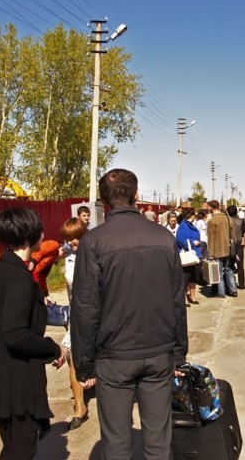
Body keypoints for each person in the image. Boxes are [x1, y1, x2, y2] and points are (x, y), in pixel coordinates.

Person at [71, 169, 187, 459]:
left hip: (113, 359)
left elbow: (85, 308)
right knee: (159, 443)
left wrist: (84, 365)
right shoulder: (163, 238)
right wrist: (178, 353)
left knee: (116, 444)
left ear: (103, 200)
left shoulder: (93, 243)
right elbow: (177, 300)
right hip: (159, 353)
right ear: (136, 195)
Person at [0, 207, 66, 459]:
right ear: (29, 234)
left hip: (2, 372)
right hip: (16, 378)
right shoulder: (18, 276)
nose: (43, 234)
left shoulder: (4, 266)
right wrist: (53, 348)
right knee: (20, 449)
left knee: (13, 443)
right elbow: (15, 333)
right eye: (39, 230)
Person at [59, 217, 89, 430]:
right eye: (68, 239)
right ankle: (80, 407)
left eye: (74, 238)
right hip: (76, 315)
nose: (71, 243)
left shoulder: (94, 255)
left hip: (97, 314)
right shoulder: (68, 259)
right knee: (72, 357)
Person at [206, 200, 237, 298]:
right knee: (228, 269)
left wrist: (210, 253)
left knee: (218, 272)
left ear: (211, 208)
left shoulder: (212, 221)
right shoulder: (228, 218)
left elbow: (211, 239)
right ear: (218, 206)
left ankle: (221, 292)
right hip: (229, 249)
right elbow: (234, 235)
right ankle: (233, 290)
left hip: (217, 250)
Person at [176, 207, 203, 306]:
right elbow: (180, 240)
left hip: (193, 256)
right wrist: (192, 243)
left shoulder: (188, 225)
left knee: (193, 278)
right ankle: (184, 299)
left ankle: (192, 296)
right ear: (191, 216)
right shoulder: (183, 226)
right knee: (185, 279)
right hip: (187, 256)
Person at [227, 204, 245, 290]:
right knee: (240, 264)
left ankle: (230, 284)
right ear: (236, 212)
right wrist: (244, 243)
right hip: (239, 244)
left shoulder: (226, 221)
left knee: (228, 265)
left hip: (228, 244)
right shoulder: (241, 221)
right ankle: (241, 284)